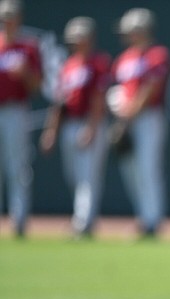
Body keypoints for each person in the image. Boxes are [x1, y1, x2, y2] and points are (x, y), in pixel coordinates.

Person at [39, 17, 111, 239]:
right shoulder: (69, 65)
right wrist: (51, 131)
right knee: (74, 176)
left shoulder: (98, 63)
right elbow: (59, 103)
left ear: (90, 38)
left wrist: (92, 127)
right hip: (70, 124)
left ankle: (83, 223)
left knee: (87, 176)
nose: (76, 41)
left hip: (90, 123)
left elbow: (99, 97)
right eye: (74, 38)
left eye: (80, 37)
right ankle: (82, 219)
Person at [109, 8, 170, 238]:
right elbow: (117, 89)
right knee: (130, 170)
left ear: (142, 30)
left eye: (130, 31)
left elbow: (151, 88)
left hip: (147, 118)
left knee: (147, 169)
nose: (126, 35)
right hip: (126, 119)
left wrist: (130, 112)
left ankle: (152, 221)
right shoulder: (124, 58)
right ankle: (144, 217)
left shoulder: (157, 55)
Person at [0, 0, 41, 237]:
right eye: (4, 17)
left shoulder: (28, 47)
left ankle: (19, 219)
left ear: (19, 18)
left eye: (11, 16)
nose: (7, 21)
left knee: (18, 166)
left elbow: (36, 86)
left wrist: (25, 73)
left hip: (16, 109)